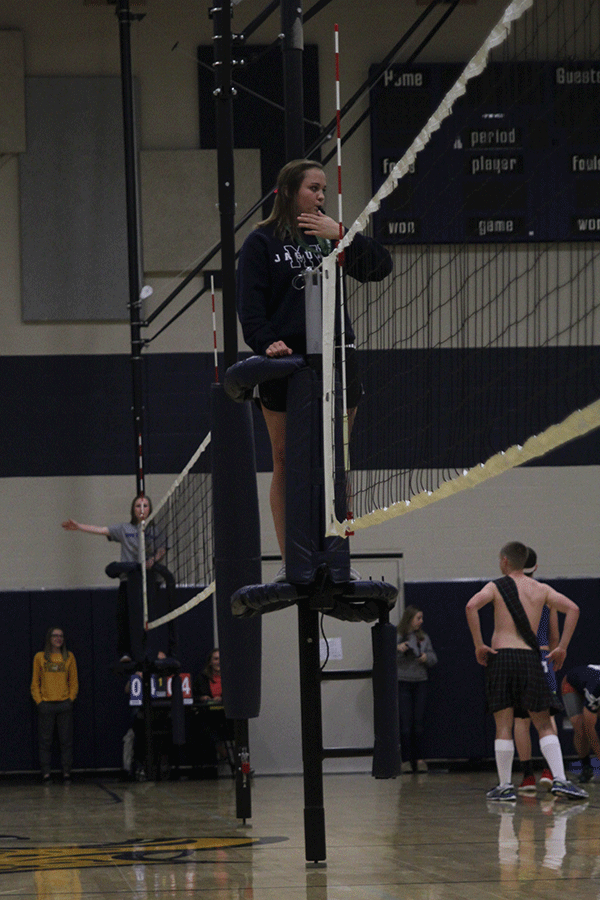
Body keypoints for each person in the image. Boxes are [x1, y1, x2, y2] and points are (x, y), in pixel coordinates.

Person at [236, 158, 392, 578]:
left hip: (338, 357)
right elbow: (250, 310)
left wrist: (342, 235)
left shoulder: (331, 237)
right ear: (289, 191)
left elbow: (380, 267)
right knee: (285, 459)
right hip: (285, 366)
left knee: (337, 459)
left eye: (324, 188)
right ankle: (292, 562)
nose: (321, 195)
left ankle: (337, 558)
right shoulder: (261, 242)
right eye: (313, 188)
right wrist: (267, 342)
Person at [465, 541, 588, 802]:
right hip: (531, 659)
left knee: (504, 726)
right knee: (543, 723)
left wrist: (479, 645)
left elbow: (471, 607)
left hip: (501, 657)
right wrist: (562, 647)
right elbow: (574, 609)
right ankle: (561, 780)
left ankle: (506, 786)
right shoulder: (541, 589)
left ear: (505, 562)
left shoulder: (496, 586)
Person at [61, 495, 165, 661]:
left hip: (149, 582)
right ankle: (125, 653)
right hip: (128, 581)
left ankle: (152, 651)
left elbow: (161, 550)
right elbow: (102, 530)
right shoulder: (124, 528)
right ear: (133, 509)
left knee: (150, 619)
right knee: (124, 617)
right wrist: (79, 526)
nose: (142, 509)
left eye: (145, 506)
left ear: (150, 509)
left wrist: (152, 560)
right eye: (138, 505)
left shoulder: (156, 531)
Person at [513, 548, 562, 794]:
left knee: (521, 720)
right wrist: (553, 656)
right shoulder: (545, 593)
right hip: (543, 657)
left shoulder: (509, 593)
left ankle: (527, 776)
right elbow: (554, 635)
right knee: (548, 717)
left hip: (519, 658)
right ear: (536, 567)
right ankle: (550, 771)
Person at [31, 627, 78, 782]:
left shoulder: (69, 657)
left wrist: (70, 699)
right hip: (46, 705)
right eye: (55, 636)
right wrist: (39, 701)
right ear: (49, 638)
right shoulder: (40, 657)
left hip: (64, 704)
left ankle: (66, 773)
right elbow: (34, 683)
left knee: (66, 741)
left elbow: (74, 682)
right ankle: (46, 773)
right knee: (45, 741)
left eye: (61, 636)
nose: (59, 639)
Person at [397, 605, 437, 773]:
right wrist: (398, 650)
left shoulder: (424, 637)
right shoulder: (398, 637)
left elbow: (434, 658)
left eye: (421, 618)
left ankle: (420, 759)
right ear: (409, 619)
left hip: (420, 682)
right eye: (418, 618)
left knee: (418, 723)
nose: (421, 621)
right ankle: (405, 760)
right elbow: (385, 658)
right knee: (405, 724)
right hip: (403, 682)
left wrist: (427, 658)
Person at [561, 663, 600, 783]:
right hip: (571, 685)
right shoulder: (596, 690)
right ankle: (586, 766)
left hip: (589, 681)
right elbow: (590, 729)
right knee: (581, 727)